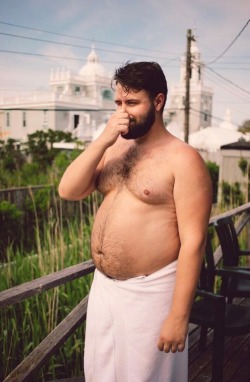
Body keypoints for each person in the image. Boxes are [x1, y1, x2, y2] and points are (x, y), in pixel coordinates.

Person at [58, 61, 212, 382]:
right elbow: (69, 190)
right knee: (100, 374)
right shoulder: (114, 147)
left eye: (132, 103)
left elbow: (194, 241)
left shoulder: (184, 159)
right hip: (105, 288)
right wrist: (102, 140)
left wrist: (179, 315)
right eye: (117, 103)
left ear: (158, 101)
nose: (123, 112)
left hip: (152, 292)